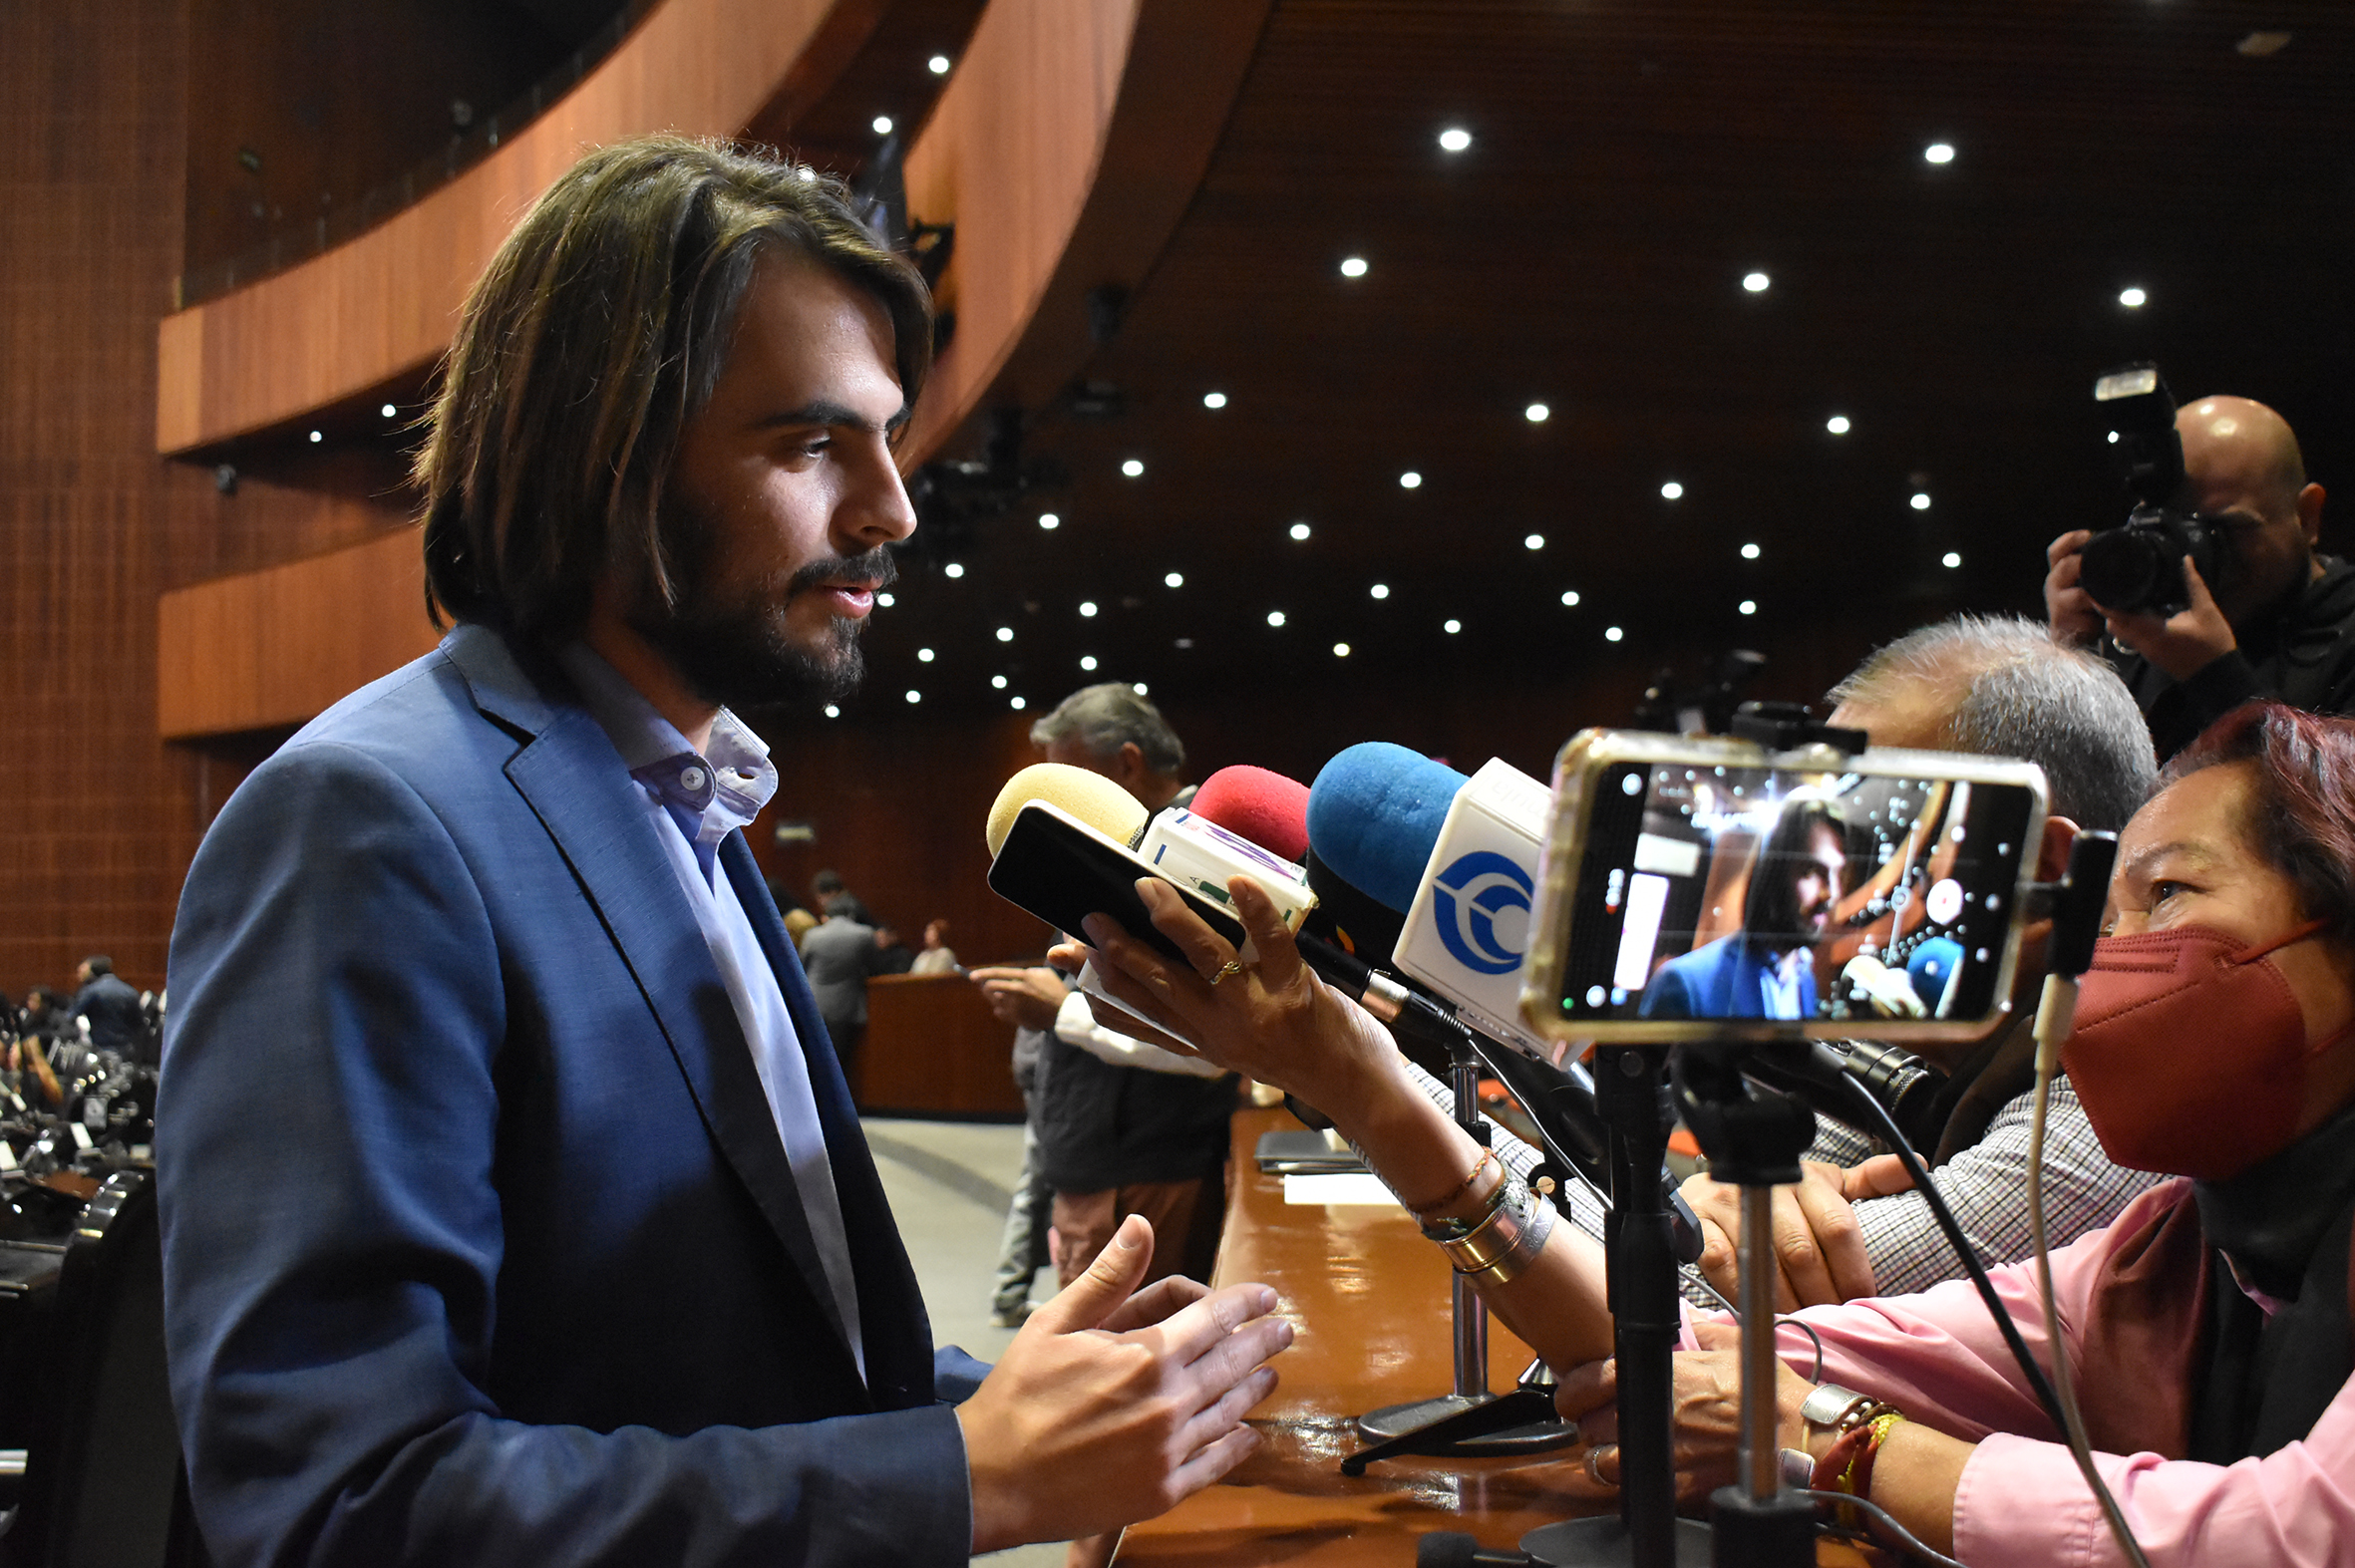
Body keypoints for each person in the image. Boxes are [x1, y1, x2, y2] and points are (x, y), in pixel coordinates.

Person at [156, 136, 1288, 1568]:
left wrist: (1030, 1409)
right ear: (610, 453)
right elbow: (337, 1506)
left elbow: (732, 1372)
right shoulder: (364, 822)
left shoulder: (684, 800)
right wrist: (959, 1477)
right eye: (812, 444)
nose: (893, 507)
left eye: (887, 435)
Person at [1079, 700, 2355, 1564]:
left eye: (2167, 895)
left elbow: (2285, 1540)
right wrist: (1363, 1082)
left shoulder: (2076, 1159)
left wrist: (1842, 1444)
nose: (1818, 885)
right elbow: (1699, 1359)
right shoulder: (2165, 1245)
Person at [1671, 614, 2166, 1308]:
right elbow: (1708, 1238)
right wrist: (1721, 1208)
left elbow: (1685, 1294)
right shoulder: (1926, 1031)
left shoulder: (2123, 1100)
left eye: (1866, 826)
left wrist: (1486, 1181)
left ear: (2041, 869)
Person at [975, 683, 1237, 1294]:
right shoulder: (1116, 851)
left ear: (1126, 764)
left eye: (1066, 778)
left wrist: (1061, 1012)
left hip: (1148, 1169)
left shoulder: (1196, 855)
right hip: (1096, 1163)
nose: (1052, 803)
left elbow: (1215, 1042)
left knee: (1131, 1348)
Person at [2047, 393, 2355, 759]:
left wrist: (2214, 677)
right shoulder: (2134, 615)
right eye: (2172, 527)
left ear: (2307, 516)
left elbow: (2330, 794)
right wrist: (2071, 658)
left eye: (2229, 527)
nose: (2194, 552)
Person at [1639, 795, 1847, 1022]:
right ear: (1772, 873)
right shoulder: (1685, 986)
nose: (1831, 893)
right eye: (1811, 871)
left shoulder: (1805, 981)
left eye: (1836, 874)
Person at [797, 907, 884, 1072]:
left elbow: (801, 968)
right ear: (851, 915)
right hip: (844, 1007)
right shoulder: (863, 934)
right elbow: (875, 967)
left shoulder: (812, 935)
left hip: (814, 1004)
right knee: (840, 1064)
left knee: (811, 1060)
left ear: (826, 917)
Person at [68, 954, 144, 1054]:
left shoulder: (91, 991)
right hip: (128, 1048)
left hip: (101, 1048)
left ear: (92, 972)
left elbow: (72, 1016)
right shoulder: (130, 990)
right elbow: (139, 1022)